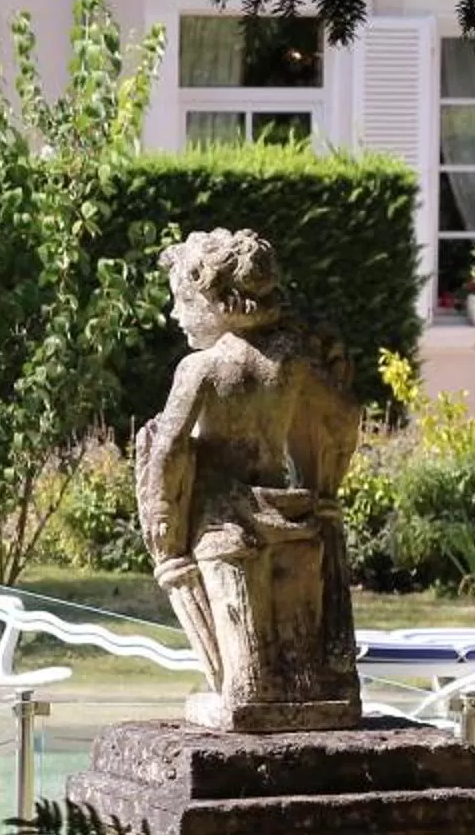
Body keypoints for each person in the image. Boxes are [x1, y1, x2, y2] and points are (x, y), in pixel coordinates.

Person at [135, 229, 363, 733]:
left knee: (245, 690)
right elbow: (345, 416)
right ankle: (313, 701)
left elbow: (168, 446)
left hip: (224, 529)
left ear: (217, 302)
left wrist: (160, 516)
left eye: (182, 301)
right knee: (302, 672)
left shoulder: (203, 368)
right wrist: (327, 489)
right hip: (291, 514)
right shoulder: (292, 362)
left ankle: (239, 695)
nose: (176, 315)